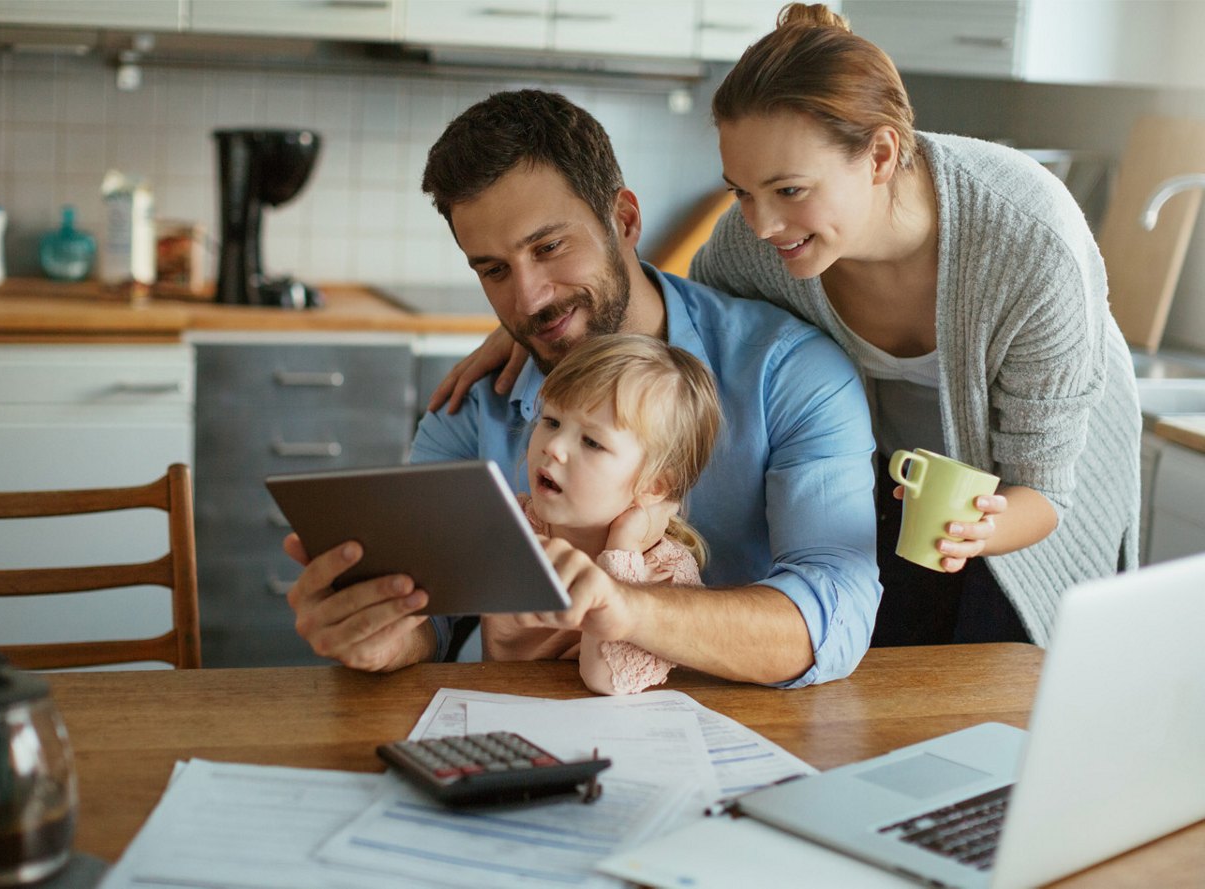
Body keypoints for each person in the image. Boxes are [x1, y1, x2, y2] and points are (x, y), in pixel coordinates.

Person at [283, 88, 881, 688]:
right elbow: (430, 611)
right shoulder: (471, 406)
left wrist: (626, 609)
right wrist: (384, 634)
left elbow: (835, 613)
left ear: (623, 220)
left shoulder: (790, 373)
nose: (528, 299)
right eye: (493, 269)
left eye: (548, 247)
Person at [688, 3, 1141, 645]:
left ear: (879, 154)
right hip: (896, 486)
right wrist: (540, 330)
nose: (761, 223)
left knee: (1002, 689)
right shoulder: (752, 244)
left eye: (789, 191)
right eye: (741, 191)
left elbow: (1043, 491)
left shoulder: (1030, 244)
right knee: (879, 683)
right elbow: (678, 326)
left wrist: (979, 529)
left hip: (1029, 498)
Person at [491, 332, 723, 695]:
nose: (553, 447)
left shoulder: (664, 571)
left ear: (654, 486)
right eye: (551, 421)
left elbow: (604, 680)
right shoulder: (514, 526)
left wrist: (621, 551)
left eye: (592, 442)